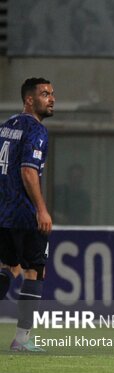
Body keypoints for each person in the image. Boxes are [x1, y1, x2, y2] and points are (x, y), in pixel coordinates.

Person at [0, 77, 55, 352]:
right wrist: (41, 209)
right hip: (24, 213)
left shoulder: (6, 126)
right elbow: (28, 171)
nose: (51, 99)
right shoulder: (36, 130)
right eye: (45, 94)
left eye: (52, 94)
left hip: (3, 212)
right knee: (35, 271)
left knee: (9, 267)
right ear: (29, 100)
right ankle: (22, 340)